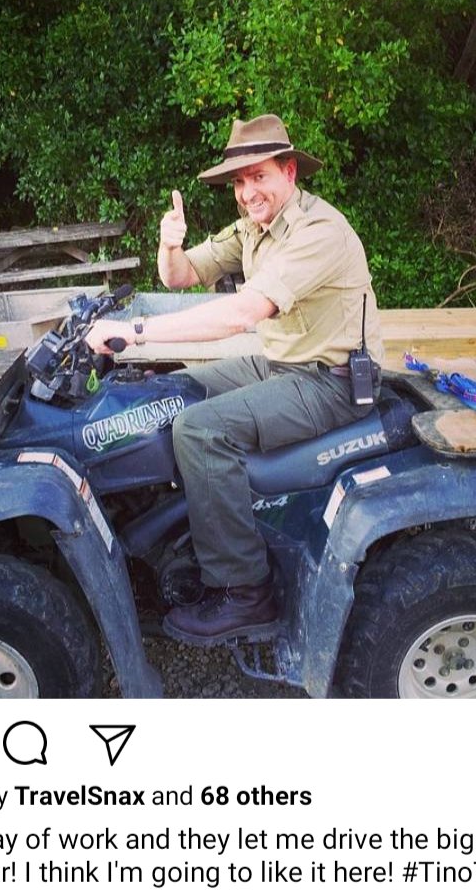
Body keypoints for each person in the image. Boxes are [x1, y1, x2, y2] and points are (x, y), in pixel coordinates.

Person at [87, 114, 384, 644]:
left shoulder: (318, 232)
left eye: (260, 176)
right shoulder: (254, 227)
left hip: (331, 381)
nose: (248, 192)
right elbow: (179, 276)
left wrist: (133, 331)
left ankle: (246, 592)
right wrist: (170, 243)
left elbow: (239, 315)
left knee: (200, 429)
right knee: (169, 393)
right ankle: (184, 526)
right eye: (240, 182)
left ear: (290, 172)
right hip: (281, 364)